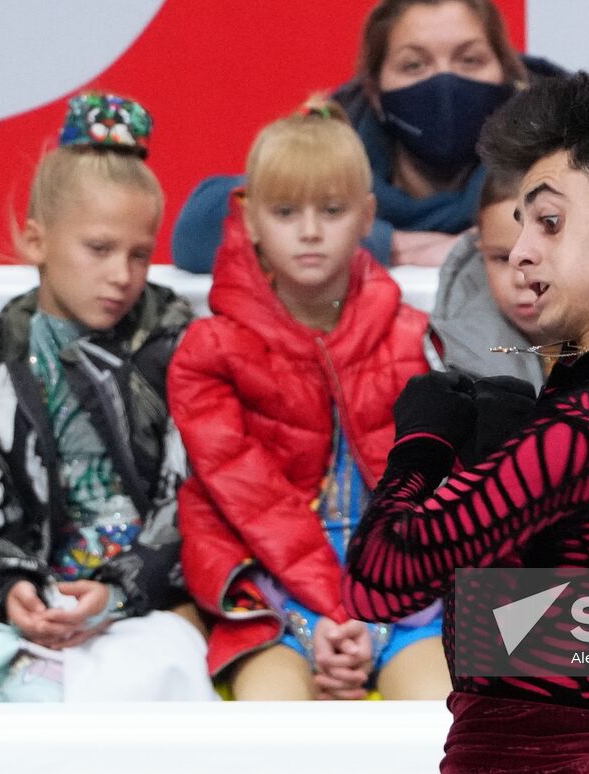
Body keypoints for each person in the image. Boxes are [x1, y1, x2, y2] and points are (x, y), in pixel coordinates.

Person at [343, 70, 589, 771]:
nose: (521, 251)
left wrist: (422, 445)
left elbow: (376, 580)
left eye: (548, 221)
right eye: (521, 227)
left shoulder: (587, 426)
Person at [171, 99, 450, 701]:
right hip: (271, 596)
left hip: (402, 597)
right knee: (273, 721)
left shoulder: (414, 336)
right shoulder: (209, 351)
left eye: (332, 210)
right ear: (249, 220)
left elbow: (435, 491)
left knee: (442, 717)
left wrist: (371, 615)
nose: (310, 231)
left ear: (367, 217)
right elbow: (251, 502)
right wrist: (332, 612)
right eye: (284, 211)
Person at [0, 92, 212, 702]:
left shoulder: (179, 354)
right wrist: (10, 588)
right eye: (99, 249)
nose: (121, 274)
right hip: (40, 606)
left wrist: (119, 592)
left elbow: (190, 500)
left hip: (151, 597)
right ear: (36, 241)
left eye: (140, 254)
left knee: (153, 687)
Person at [172, 0, 563, 272]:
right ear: (374, 93)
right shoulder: (335, 149)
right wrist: (389, 244)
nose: (444, 82)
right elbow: (200, 230)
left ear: (508, 76)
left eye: (470, 59)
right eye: (414, 64)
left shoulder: (559, 150)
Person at [429, 167, 547, 388]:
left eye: (535, 258)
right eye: (501, 258)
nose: (521, 279)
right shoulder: (452, 352)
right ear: (480, 250)